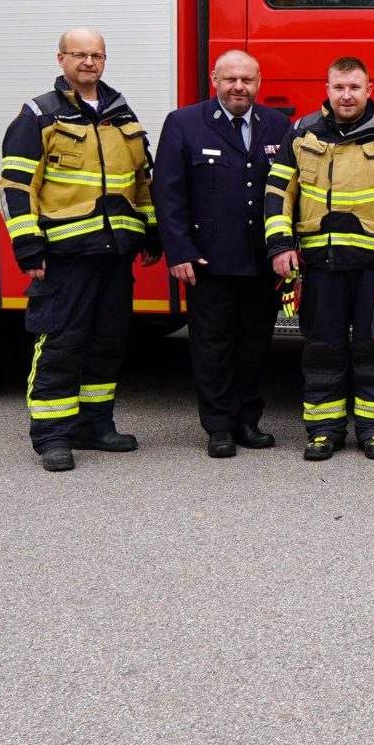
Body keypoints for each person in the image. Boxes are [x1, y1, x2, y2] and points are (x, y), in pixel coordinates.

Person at [0, 28, 161, 472]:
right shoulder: (39, 115)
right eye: (79, 55)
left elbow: (143, 183)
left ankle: (94, 424)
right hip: (66, 255)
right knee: (62, 342)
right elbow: (15, 185)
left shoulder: (122, 114)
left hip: (114, 255)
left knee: (107, 341)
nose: (89, 62)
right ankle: (51, 435)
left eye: (96, 55)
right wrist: (28, 245)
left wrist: (151, 233)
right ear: (61, 58)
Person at [264, 56, 374, 461]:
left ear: (369, 89)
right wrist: (281, 244)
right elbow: (278, 192)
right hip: (320, 264)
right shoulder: (301, 133)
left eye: (355, 87)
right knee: (323, 349)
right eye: (339, 87)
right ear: (327, 88)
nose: (347, 95)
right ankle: (324, 431)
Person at [155, 49, 290, 458]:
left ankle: (248, 421)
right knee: (212, 347)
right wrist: (179, 251)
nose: (239, 87)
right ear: (215, 79)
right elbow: (168, 192)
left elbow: (289, 191)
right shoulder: (184, 123)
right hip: (207, 261)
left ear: (259, 81)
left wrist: (285, 250)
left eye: (247, 80)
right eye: (231, 79)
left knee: (254, 344)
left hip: (261, 259)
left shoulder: (278, 125)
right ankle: (218, 427)